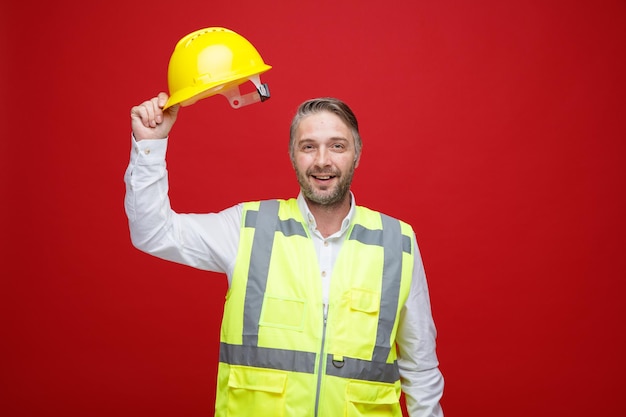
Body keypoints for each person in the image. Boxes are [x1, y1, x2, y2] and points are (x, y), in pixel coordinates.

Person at [125, 92, 444, 416]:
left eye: (337, 145)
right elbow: (153, 232)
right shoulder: (247, 228)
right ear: (293, 155)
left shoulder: (398, 242)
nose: (322, 160)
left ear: (356, 154)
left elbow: (421, 369)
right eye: (308, 146)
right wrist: (150, 146)